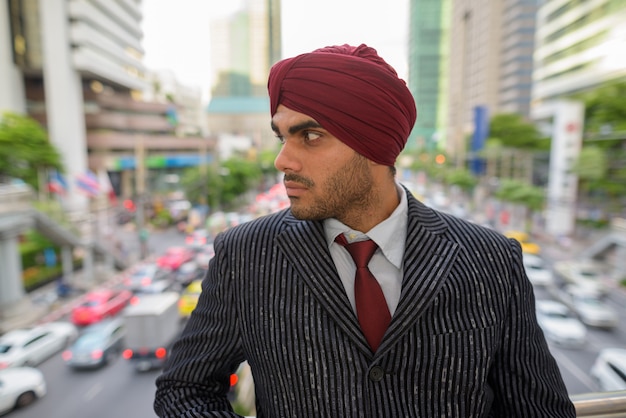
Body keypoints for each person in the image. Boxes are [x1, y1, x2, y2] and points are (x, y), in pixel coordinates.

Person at [154, 44, 575, 417]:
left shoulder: (489, 260)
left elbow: (538, 407)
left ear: (374, 146)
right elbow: (184, 390)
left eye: (310, 135)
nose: (283, 160)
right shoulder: (245, 256)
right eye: (282, 136)